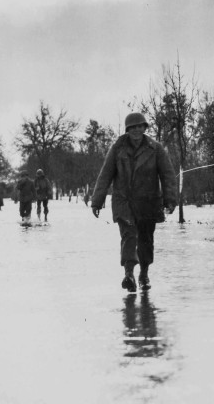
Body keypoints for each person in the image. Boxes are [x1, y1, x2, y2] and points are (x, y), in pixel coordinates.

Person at [91, 112, 177, 292]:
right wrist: (97, 201)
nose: (137, 130)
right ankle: (128, 274)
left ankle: (144, 274)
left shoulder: (156, 148)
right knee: (128, 236)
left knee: (146, 239)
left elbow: (167, 175)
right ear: (127, 130)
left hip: (148, 201)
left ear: (145, 128)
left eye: (140, 126)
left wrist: (170, 199)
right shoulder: (117, 148)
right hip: (124, 201)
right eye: (132, 127)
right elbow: (105, 174)